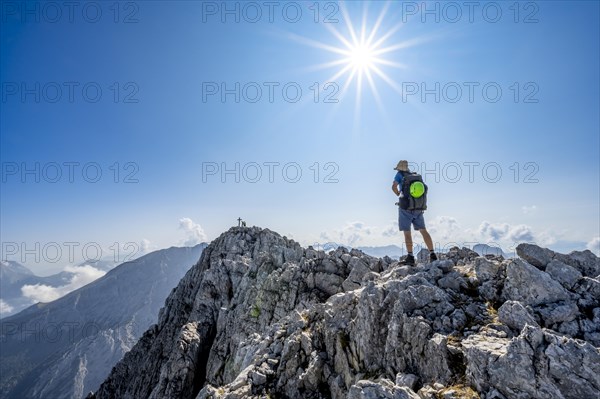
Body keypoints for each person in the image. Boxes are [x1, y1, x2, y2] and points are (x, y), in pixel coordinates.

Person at [392, 160, 437, 265]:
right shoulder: (415, 176)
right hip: (418, 207)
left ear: (399, 168)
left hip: (405, 208)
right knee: (423, 231)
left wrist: (398, 193)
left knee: (407, 233)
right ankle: (433, 254)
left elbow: (393, 187)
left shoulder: (399, 175)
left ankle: (410, 257)